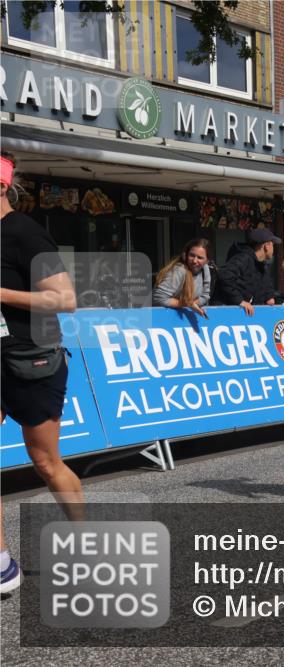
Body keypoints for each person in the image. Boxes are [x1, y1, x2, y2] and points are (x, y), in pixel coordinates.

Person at [0, 152, 83, 594]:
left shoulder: (25, 234)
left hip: (29, 358)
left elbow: (65, 298)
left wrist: (2, 293)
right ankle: (2, 565)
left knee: (46, 463)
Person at [212, 227, 283, 316]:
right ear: (266, 246)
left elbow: (266, 291)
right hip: (224, 314)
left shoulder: (262, 266)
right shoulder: (243, 258)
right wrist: (240, 301)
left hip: (244, 317)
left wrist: (270, 297)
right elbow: (224, 276)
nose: (274, 248)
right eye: (273, 244)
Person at [152, 238, 213, 318]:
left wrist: (192, 305)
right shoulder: (179, 270)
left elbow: (205, 296)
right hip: (160, 318)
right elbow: (159, 298)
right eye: (192, 255)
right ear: (186, 255)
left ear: (207, 260)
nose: (195, 261)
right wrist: (189, 304)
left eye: (200, 258)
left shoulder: (205, 269)